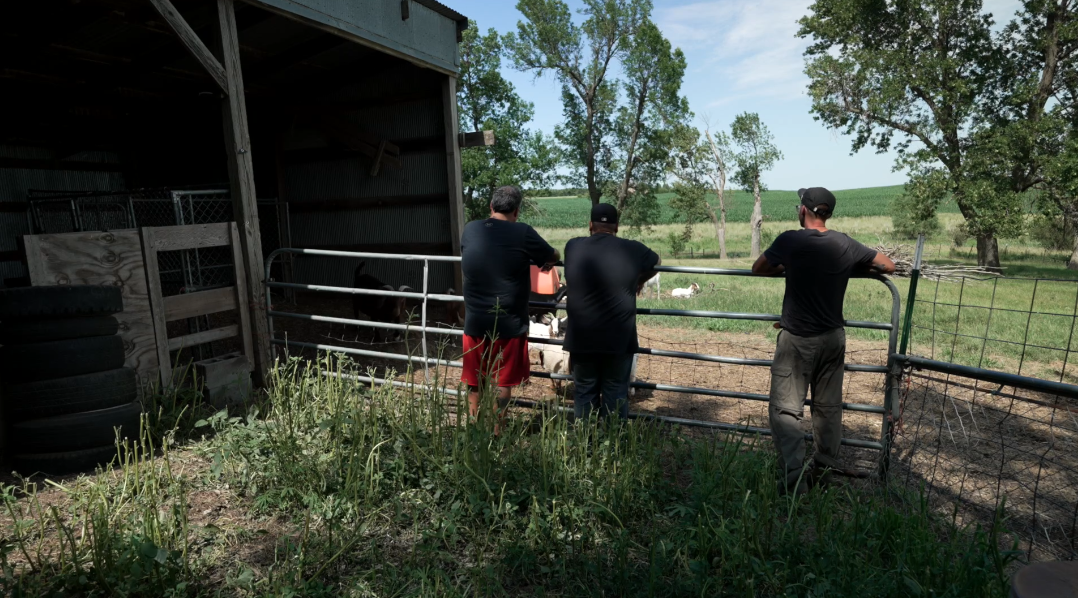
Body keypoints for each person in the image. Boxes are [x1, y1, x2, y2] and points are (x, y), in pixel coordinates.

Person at [751, 187, 895, 494]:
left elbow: (759, 268)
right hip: (832, 339)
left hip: (797, 340)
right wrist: (850, 265)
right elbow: (887, 265)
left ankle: (793, 483)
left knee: (785, 411)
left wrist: (791, 265)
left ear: (803, 210)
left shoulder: (791, 240)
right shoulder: (843, 243)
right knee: (828, 409)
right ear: (828, 213)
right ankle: (823, 476)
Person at [460, 185, 559, 429]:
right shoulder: (522, 232)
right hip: (509, 321)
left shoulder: (471, 229)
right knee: (502, 380)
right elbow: (552, 256)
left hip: (475, 319)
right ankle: (496, 431)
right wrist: (548, 259)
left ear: (491, 207)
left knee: (474, 379)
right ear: (516, 211)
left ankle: (473, 429)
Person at [563, 204, 660, 421]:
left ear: (590, 225)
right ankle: (613, 440)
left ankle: (585, 439)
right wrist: (639, 279)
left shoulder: (573, 246)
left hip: (582, 337)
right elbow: (656, 261)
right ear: (616, 226)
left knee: (584, 392)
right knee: (616, 392)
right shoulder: (632, 249)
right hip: (619, 337)